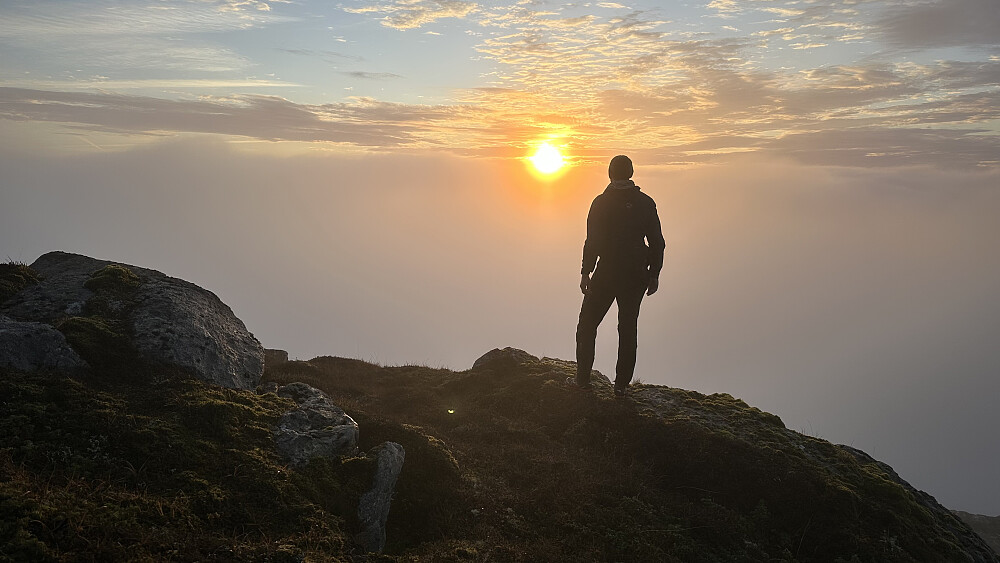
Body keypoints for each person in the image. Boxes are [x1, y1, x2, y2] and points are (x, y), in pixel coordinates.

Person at [571, 155, 665, 397]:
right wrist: (654, 274)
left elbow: (592, 241)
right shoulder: (646, 202)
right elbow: (657, 242)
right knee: (628, 328)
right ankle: (621, 386)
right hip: (635, 274)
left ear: (610, 173)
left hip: (607, 272)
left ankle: (582, 380)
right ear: (631, 173)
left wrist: (585, 271)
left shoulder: (601, 202)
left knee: (587, 325)